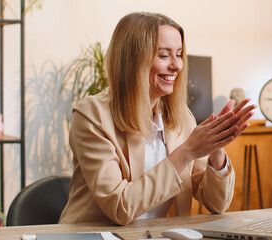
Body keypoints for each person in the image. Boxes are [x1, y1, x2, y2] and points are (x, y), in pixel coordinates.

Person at [59, 12, 256, 225]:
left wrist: (217, 147)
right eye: (164, 55)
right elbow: (119, 207)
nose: (177, 65)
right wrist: (187, 151)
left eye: (179, 54)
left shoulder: (181, 117)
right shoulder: (91, 115)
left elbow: (217, 204)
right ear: (133, 60)